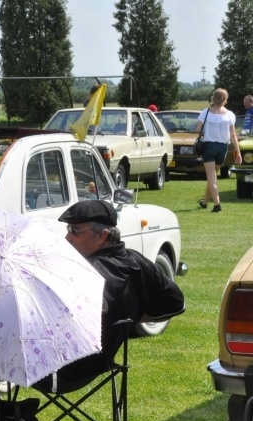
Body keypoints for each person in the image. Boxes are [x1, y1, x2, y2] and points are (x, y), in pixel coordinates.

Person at [37, 200, 185, 390]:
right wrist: (131, 318)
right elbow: (175, 302)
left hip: (57, 368)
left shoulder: (81, 270)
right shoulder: (136, 261)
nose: (67, 237)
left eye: (75, 231)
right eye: (68, 229)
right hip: (98, 363)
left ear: (102, 235)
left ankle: (2, 416)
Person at [196, 88, 242, 212]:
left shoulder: (205, 112)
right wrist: (238, 152)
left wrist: (209, 130)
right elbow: (233, 135)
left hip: (209, 146)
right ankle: (205, 202)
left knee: (211, 177)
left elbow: (198, 130)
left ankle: (217, 204)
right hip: (223, 148)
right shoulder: (230, 115)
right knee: (213, 177)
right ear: (225, 99)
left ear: (213, 98)